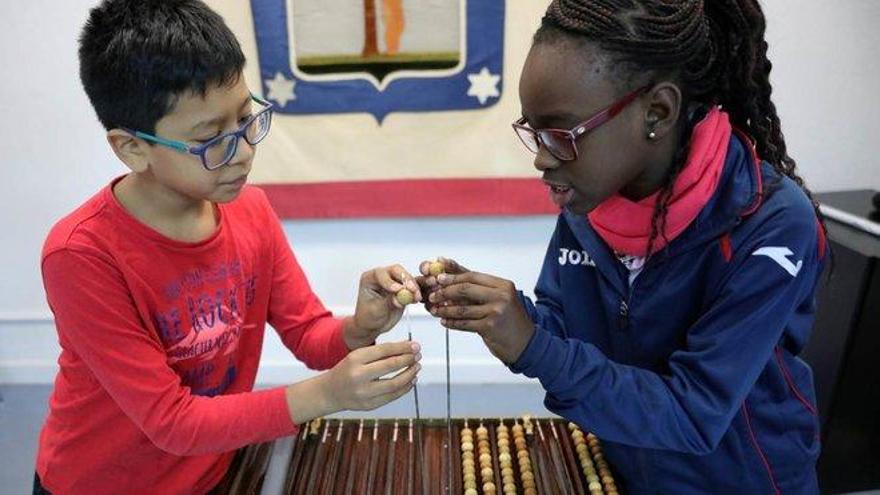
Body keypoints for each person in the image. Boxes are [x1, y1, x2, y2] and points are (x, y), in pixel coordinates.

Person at [422, 1, 827, 493]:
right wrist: (498, 314)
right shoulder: (589, 203)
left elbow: (693, 414)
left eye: (562, 133)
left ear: (656, 112)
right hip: (625, 472)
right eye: (534, 131)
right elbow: (568, 334)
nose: (543, 160)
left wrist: (532, 344)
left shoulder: (770, 224)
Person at [34, 1, 422, 493]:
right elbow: (171, 422)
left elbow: (308, 334)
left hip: (215, 469)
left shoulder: (251, 210)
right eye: (209, 139)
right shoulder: (81, 255)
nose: (243, 152)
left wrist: (360, 327)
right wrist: (328, 394)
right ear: (133, 148)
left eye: (245, 118)